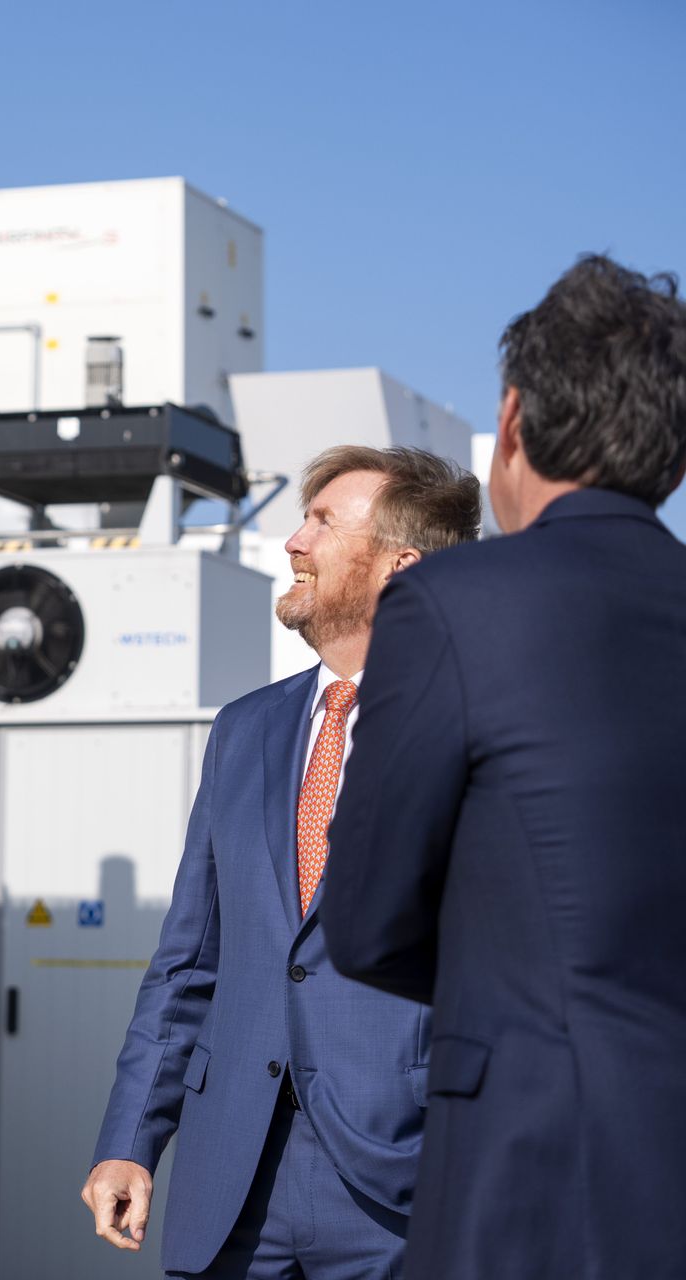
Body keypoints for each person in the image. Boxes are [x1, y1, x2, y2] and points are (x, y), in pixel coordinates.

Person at [324, 255, 686, 1279]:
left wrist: (511, 984)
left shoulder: (454, 603)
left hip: (526, 1176)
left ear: (515, 420)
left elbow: (366, 917)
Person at [83, 445, 481, 1278]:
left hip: (400, 1185)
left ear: (399, 566)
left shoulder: (477, 726)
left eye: (323, 523)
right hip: (232, 1184)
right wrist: (130, 1140)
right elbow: (188, 962)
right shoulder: (244, 730)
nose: (292, 542)